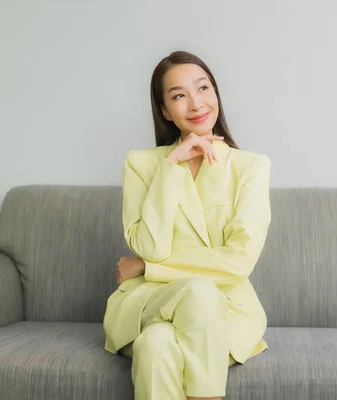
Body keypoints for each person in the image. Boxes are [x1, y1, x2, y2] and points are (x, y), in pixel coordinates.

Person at [103, 50, 272, 400]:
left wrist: (147, 268)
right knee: (197, 288)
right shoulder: (141, 164)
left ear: (216, 94)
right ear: (165, 110)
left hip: (225, 311)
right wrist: (171, 166)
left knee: (156, 343)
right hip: (149, 302)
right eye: (179, 95)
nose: (196, 104)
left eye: (203, 88)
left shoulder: (250, 167)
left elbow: (239, 261)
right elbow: (152, 246)